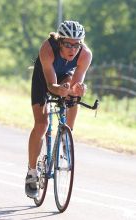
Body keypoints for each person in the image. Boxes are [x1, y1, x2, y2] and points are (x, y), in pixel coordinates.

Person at [25, 20, 92, 198]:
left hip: (65, 77)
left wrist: (78, 90)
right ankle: (32, 172)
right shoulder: (47, 49)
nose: (72, 49)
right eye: (68, 44)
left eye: (76, 44)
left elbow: (77, 82)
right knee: (41, 124)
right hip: (45, 78)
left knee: (73, 94)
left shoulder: (85, 54)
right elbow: (50, 85)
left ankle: (66, 135)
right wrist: (58, 90)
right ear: (59, 41)